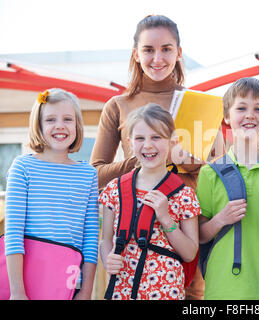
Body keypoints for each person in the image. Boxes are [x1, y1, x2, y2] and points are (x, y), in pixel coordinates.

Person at [90, 14, 204, 299]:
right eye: (148, 49)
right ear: (136, 54)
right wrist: (146, 158)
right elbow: (96, 172)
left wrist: (187, 160)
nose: (158, 58)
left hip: (186, 234)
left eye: (166, 49)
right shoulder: (117, 105)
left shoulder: (200, 104)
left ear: (179, 52)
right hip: (131, 240)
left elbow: (218, 173)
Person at [4, 89, 99, 300]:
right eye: (50, 119)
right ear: (38, 125)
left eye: (68, 119)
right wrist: (17, 291)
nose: (60, 126)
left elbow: (90, 238)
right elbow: (14, 232)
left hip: (68, 283)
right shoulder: (23, 167)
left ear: (77, 126)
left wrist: (85, 292)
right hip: (26, 282)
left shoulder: (88, 174)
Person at [196, 77, 259, 299]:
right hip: (222, 289)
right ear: (227, 116)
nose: (250, 115)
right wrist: (220, 219)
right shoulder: (209, 174)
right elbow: (198, 236)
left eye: (258, 109)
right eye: (241, 108)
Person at [99, 104, 200, 300]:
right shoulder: (114, 190)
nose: (148, 145)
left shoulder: (184, 195)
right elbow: (106, 240)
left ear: (173, 142)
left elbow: (189, 253)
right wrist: (107, 259)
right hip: (122, 289)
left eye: (156, 137)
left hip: (165, 292)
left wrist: (166, 219)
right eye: (140, 138)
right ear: (129, 142)